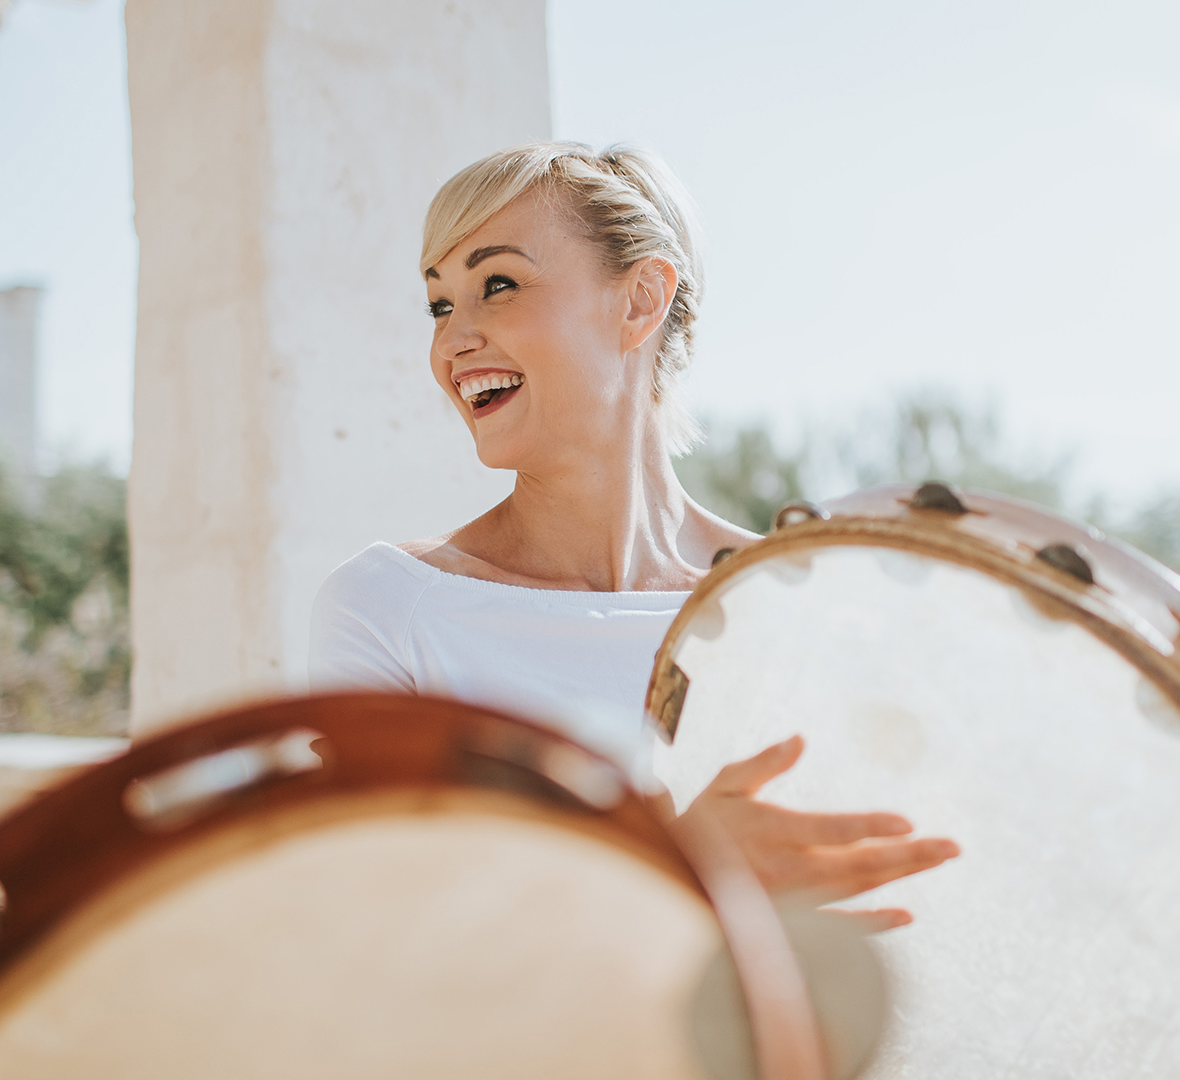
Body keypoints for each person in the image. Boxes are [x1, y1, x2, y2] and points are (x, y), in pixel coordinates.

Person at [309, 142, 956, 927]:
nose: (452, 343)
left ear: (641, 300)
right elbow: (376, 939)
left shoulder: (803, 605)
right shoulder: (391, 610)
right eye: (441, 304)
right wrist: (679, 862)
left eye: (498, 285)